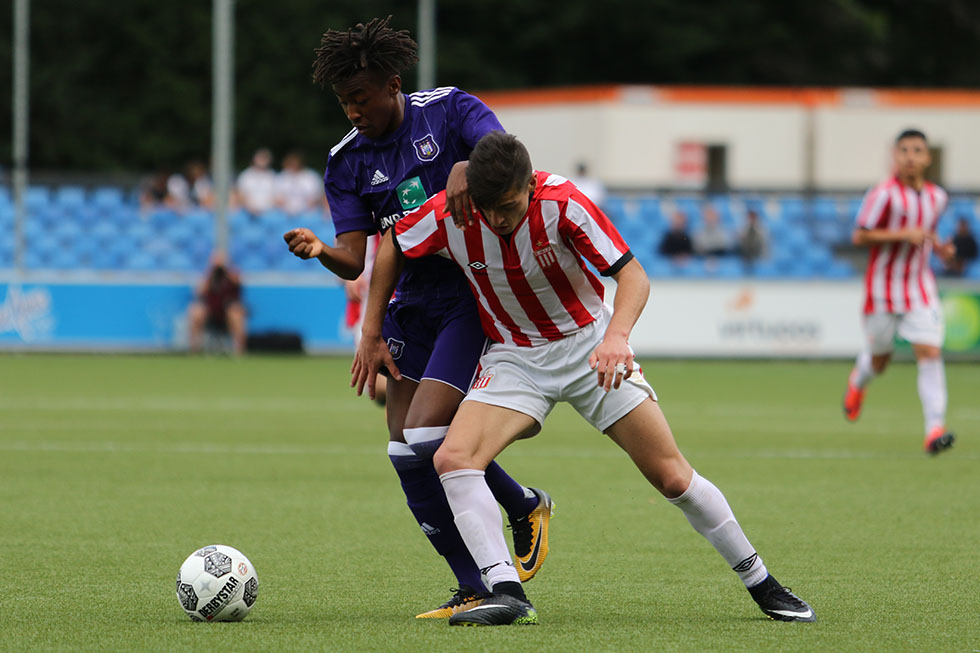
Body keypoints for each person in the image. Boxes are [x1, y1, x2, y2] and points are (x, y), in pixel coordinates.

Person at [353, 131, 815, 626]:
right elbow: (394, 244)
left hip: (589, 350)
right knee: (452, 457)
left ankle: (762, 583)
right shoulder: (455, 211)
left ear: (529, 184)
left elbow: (633, 275)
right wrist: (371, 327)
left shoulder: (565, 204)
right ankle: (507, 592)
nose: (497, 219)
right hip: (515, 358)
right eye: (488, 208)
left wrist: (617, 336)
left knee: (672, 476)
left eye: (508, 206)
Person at [282, 17, 552, 619]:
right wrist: (323, 253)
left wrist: (464, 165)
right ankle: (480, 577)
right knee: (405, 452)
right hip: (411, 305)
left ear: (393, 85)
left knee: (430, 433)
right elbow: (357, 256)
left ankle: (514, 533)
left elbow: (503, 156)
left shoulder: (450, 111)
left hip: (471, 296)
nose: (352, 111)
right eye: (343, 101)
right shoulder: (345, 161)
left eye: (361, 98)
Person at [843, 128, 956, 454]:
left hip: (920, 287)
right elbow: (860, 236)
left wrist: (941, 249)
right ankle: (858, 381)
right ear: (895, 155)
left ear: (927, 157)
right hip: (882, 290)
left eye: (917, 150)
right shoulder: (882, 194)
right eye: (904, 150)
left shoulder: (938, 196)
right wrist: (900, 234)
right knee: (880, 361)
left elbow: (928, 232)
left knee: (930, 352)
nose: (910, 156)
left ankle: (934, 429)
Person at [188, 253, 246, 355]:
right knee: (196, 311)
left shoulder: (231, 276)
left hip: (227, 311)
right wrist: (210, 275)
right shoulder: (209, 277)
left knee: (236, 313)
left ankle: (239, 352)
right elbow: (199, 292)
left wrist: (226, 272)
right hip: (211, 312)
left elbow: (238, 284)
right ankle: (194, 350)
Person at [274, 150, 325, 215]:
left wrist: (302, 209)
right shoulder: (282, 177)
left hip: (307, 212)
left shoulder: (312, 177)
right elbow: (277, 199)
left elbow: (316, 198)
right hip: (285, 212)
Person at [235, 148, 277, 216]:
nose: (262, 160)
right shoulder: (246, 175)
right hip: (247, 211)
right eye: (260, 157)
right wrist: (250, 208)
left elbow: (277, 198)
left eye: (264, 158)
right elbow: (240, 195)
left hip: (269, 212)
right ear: (254, 159)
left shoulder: (273, 176)